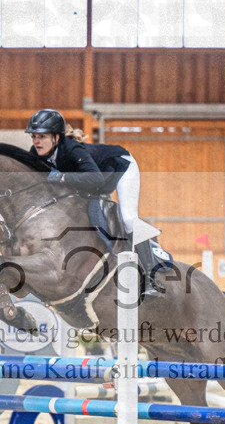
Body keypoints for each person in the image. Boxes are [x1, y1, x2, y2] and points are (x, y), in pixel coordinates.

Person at [25, 109, 165, 297]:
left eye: (42, 136)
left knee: (129, 219)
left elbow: (96, 179)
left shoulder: (73, 149)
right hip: (91, 185)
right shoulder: (35, 154)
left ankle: (150, 278)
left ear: (56, 137)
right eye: (34, 136)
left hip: (120, 169)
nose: (36, 141)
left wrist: (62, 177)